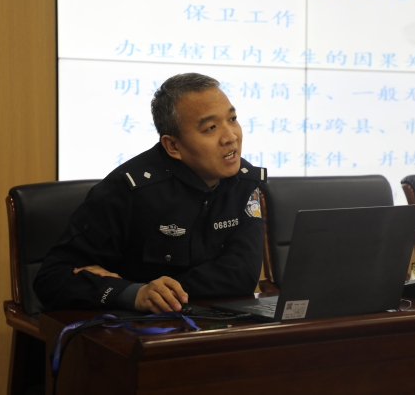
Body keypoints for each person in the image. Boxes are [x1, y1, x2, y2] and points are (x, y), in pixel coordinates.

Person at [33, 73, 266, 314]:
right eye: (211, 128)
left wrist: (143, 289)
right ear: (173, 146)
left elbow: (243, 275)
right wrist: (132, 294)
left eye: (232, 119)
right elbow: (51, 280)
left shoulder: (245, 182)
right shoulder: (128, 190)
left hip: (212, 322)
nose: (231, 137)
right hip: (135, 329)